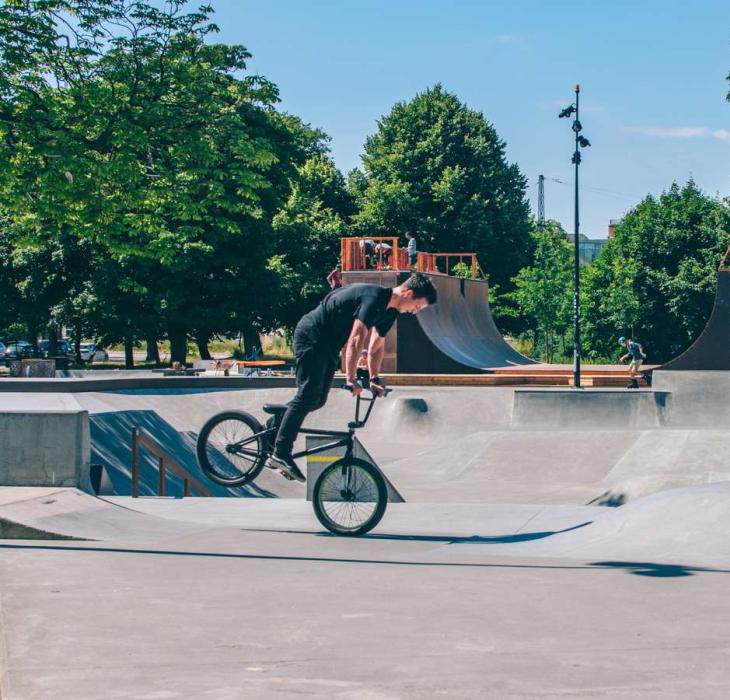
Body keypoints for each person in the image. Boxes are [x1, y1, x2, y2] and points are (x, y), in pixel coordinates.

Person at [266, 273, 438, 481]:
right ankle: (281, 452)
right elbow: (357, 339)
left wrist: (374, 378)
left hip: (328, 345)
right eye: (418, 306)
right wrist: (351, 378)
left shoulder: (390, 313)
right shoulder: (373, 298)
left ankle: (274, 426)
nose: (414, 312)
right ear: (408, 294)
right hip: (311, 336)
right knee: (307, 396)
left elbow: (376, 347)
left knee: (318, 400)